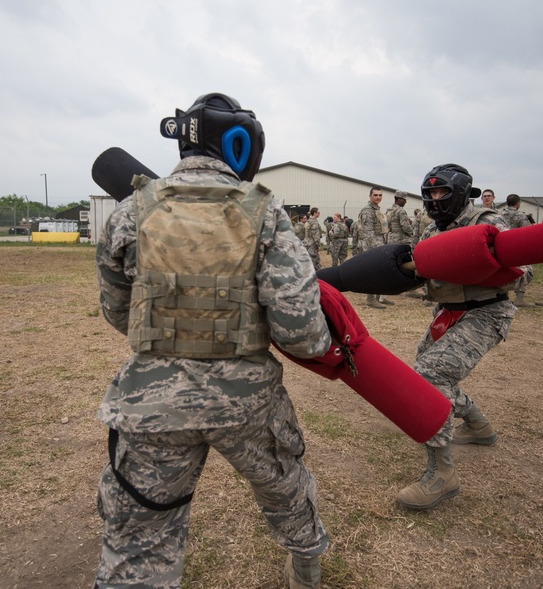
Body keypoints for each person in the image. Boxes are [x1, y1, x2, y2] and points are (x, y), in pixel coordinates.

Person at [94, 93, 332, 589]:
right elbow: (302, 332)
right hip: (246, 403)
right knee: (286, 495)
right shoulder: (266, 213)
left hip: (152, 403)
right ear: (241, 144)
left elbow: (118, 311)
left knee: (140, 536)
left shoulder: (130, 211)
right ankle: (307, 570)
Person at [396, 164, 530, 511]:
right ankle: (477, 424)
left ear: (461, 194)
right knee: (427, 375)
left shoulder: (486, 222)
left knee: (429, 376)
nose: (436, 201)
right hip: (448, 312)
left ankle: (442, 474)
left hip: (486, 312)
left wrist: (478, 263)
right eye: (431, 195)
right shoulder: (429, 233)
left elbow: (524, 272)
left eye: (443, 194)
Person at [357, 187, 393, 308]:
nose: (378, 197)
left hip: (380, 243)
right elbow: (368, 232)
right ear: (370, 196)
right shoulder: (367, 211)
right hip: (372, 246)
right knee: (372, 272)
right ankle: (370, 299)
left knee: (380, 271)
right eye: (375, 195)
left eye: (380, 195)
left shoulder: (377, 210)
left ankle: (378, 296)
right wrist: (374, 250)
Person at [499, 194, 533, 306]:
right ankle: (519, 298)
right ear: (517, 203)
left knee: (504, 271)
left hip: (502, 248)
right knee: (522, 271)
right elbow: (527, 232)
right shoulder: (520, 216)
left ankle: (504, 297)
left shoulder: (499, 215)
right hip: (517, 248)